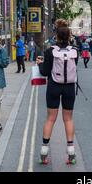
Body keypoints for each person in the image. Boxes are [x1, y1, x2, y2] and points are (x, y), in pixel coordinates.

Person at [37, 19, 79, 165]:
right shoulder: (74, 51)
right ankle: (71, 153)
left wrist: (40, 64)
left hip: (54, 86)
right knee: (68, 119)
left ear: (56, 36)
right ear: (68, 36)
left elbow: (45, 72)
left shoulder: (50, 51)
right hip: (69, 87)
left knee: (50, 118)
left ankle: (43, 153)